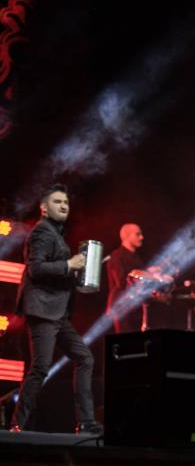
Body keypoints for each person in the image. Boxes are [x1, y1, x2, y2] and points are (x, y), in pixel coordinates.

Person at [10, 184, 102, 434]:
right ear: (44, 207)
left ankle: (85, 422)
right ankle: (18, 425)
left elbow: (55, 272)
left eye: (66, 203)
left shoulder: (55, 233)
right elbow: (35, 269)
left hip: (57, 313)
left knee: (84, 358)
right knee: (40, 369)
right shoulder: (42, 232)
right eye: (58, 202)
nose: (63, 206)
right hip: (42, 311)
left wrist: (78, 273)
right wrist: (69, 264)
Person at [105, 223, 145, 333]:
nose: (142, 237)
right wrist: (146, 274)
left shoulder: (137, 258)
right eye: (138, 234)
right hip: (121, 307)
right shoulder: (117, 256)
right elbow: (121, 282)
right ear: (126, 236)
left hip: (135, 307)